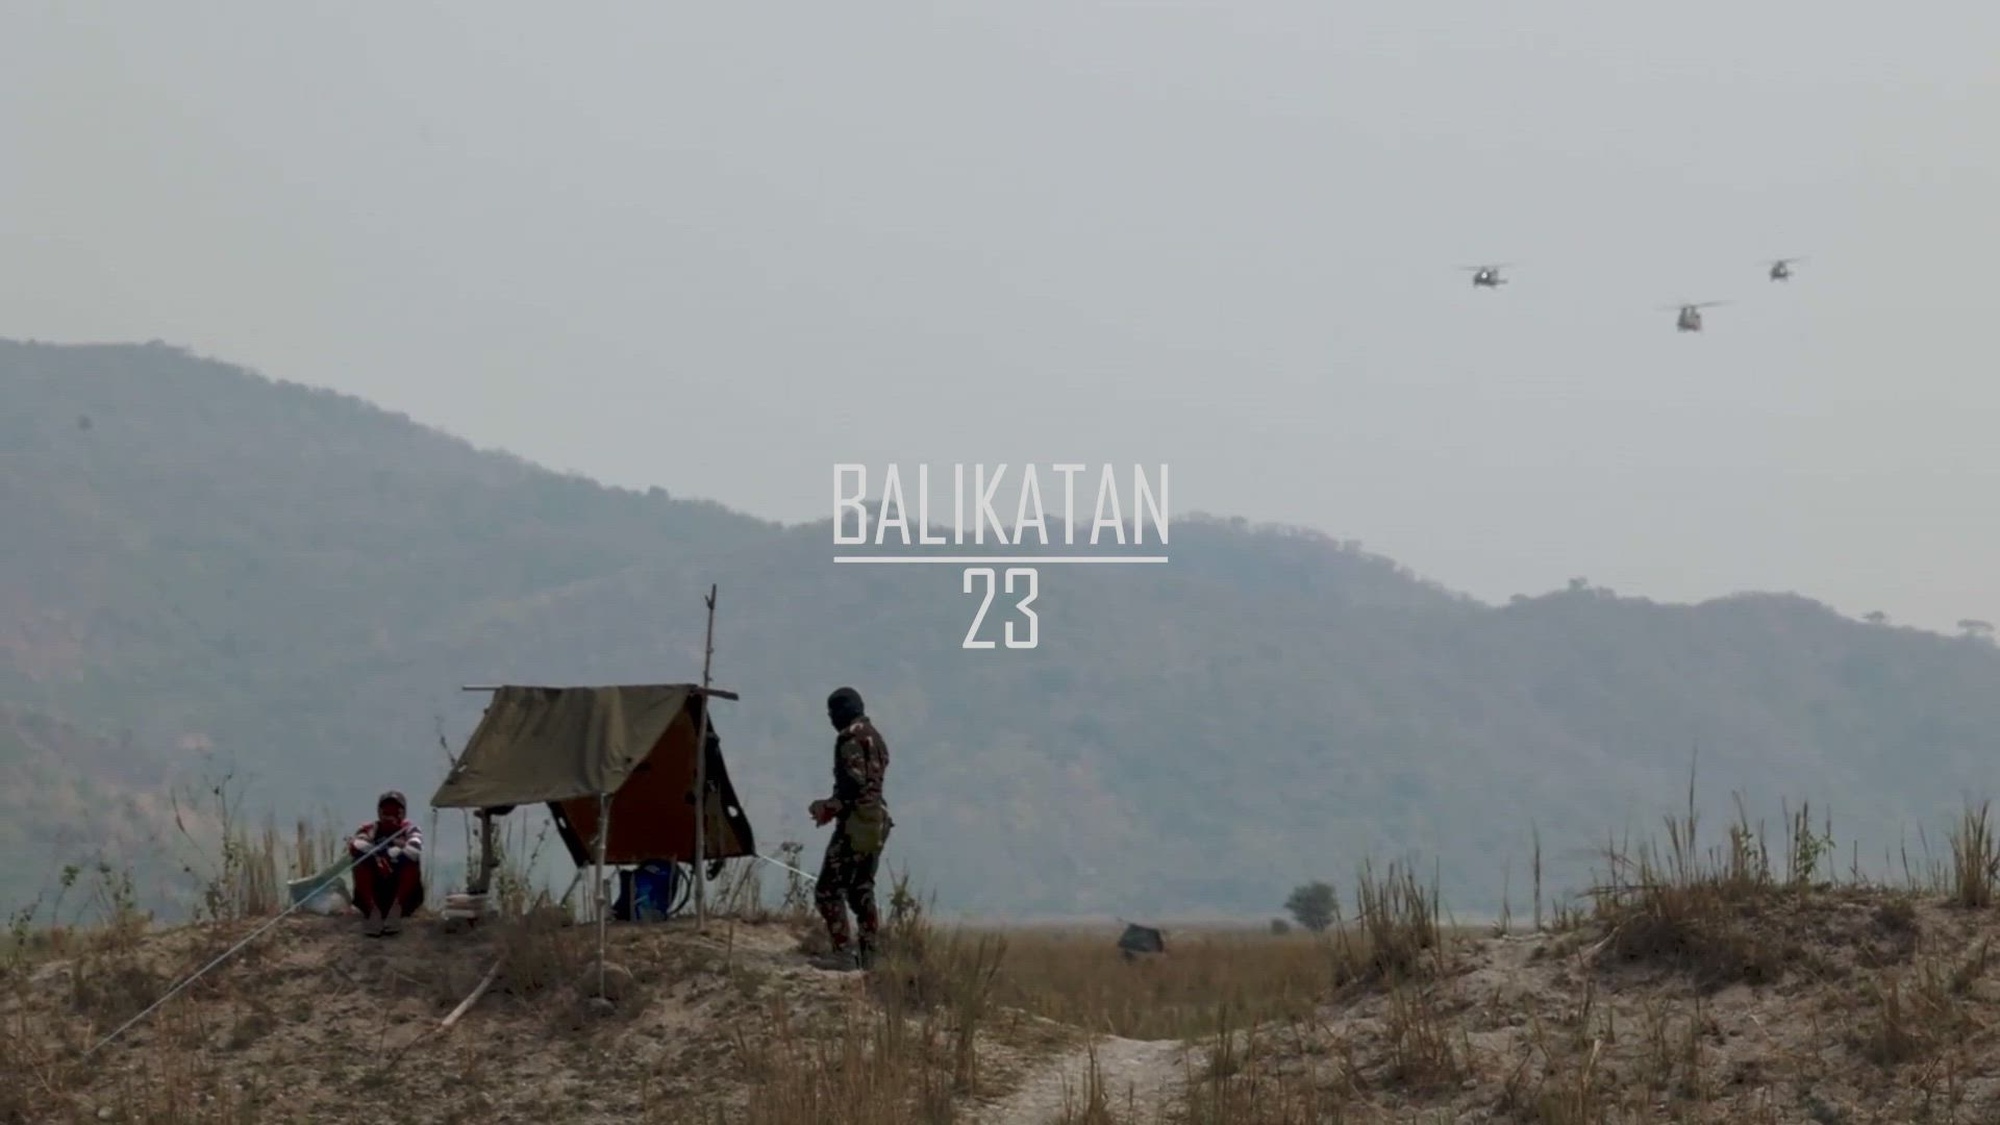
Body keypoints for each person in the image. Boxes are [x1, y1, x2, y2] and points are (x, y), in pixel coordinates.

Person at [808, 686, 893, 970]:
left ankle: (843, 953)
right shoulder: (876, 737)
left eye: (832, 713)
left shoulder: (849, 738)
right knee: (861, 888)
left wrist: (828, 807)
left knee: (828, 890)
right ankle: (870, 955)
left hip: (855, 825)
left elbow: (853, 786)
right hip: (877, 823)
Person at [349, 790, 424, 936]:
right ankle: (373, 911)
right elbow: (356, 845)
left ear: (403, 813)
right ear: (379, 812)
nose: (390, 815)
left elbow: (414, 850)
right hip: (376, 889)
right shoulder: (370, 829)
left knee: (411, 863)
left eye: (395, 810)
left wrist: (395, 851)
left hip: (402, 894)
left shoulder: (410, 829)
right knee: (360, 862)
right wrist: (378, 853)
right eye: (386, 810)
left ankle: (396, 910)